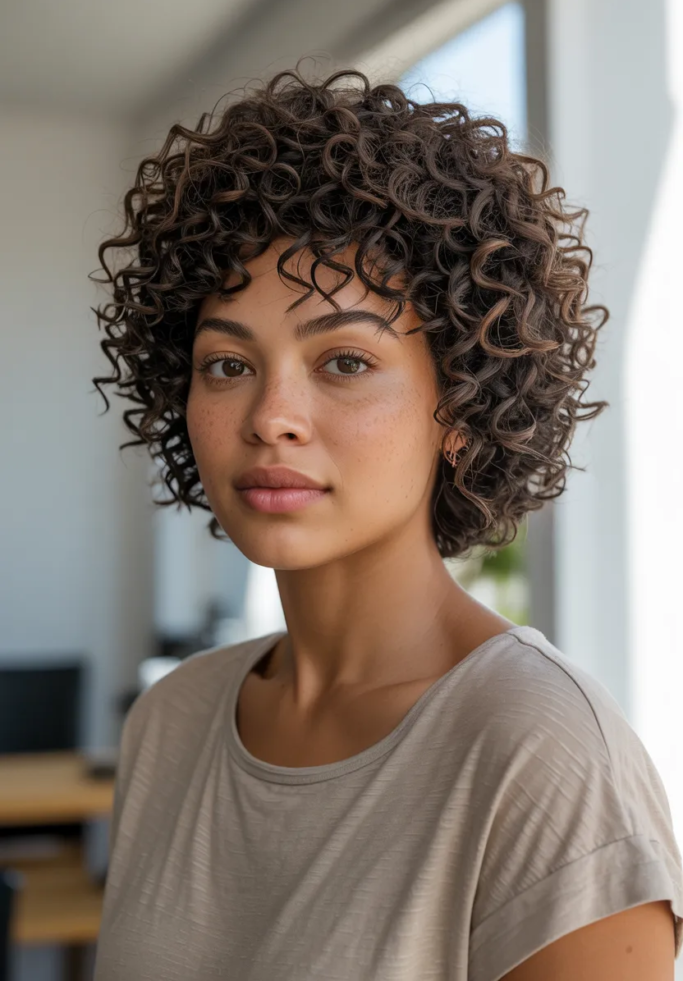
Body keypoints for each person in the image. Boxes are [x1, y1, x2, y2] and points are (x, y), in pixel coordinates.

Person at [91, 68, 683, 981]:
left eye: (344, 361)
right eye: (225, 365)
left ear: (461, 408)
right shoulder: (170, 721)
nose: (270, 417)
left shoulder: (546, 756)